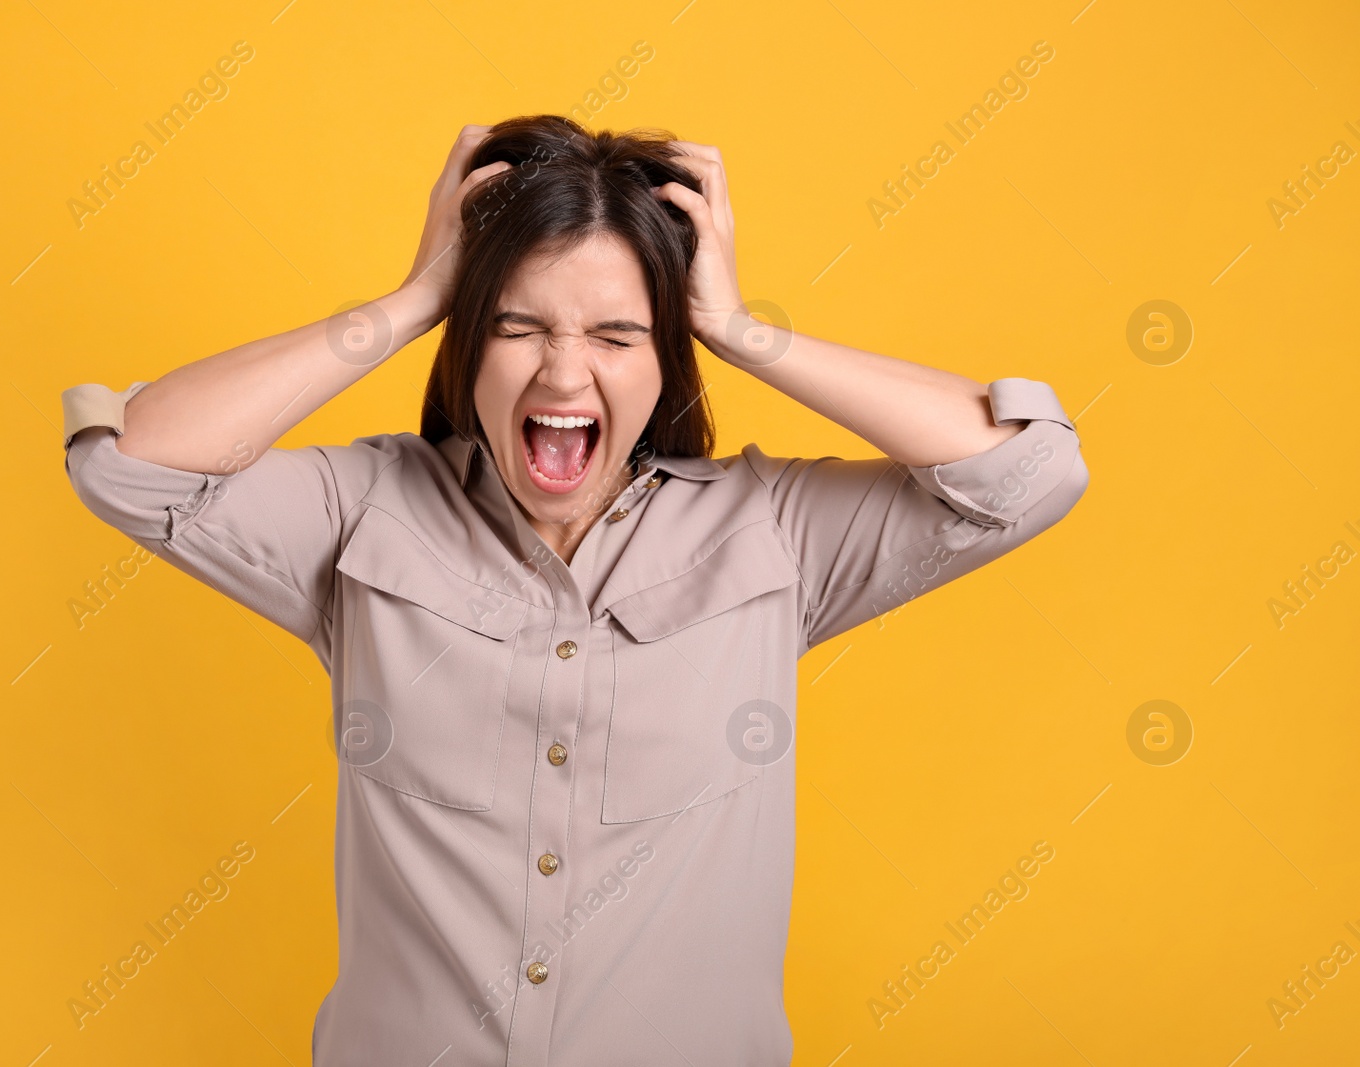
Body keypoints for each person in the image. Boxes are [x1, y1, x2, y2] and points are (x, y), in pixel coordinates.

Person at [60, 114, 1090, 1066]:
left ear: (666, 354)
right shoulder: (360, 511)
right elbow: (134, 462)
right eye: (516, 326)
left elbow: (1025, 474)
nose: (562, 373)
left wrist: (738, 326)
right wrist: (416, 297)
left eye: (615, 335)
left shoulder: (773, 531)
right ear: (470, 345)